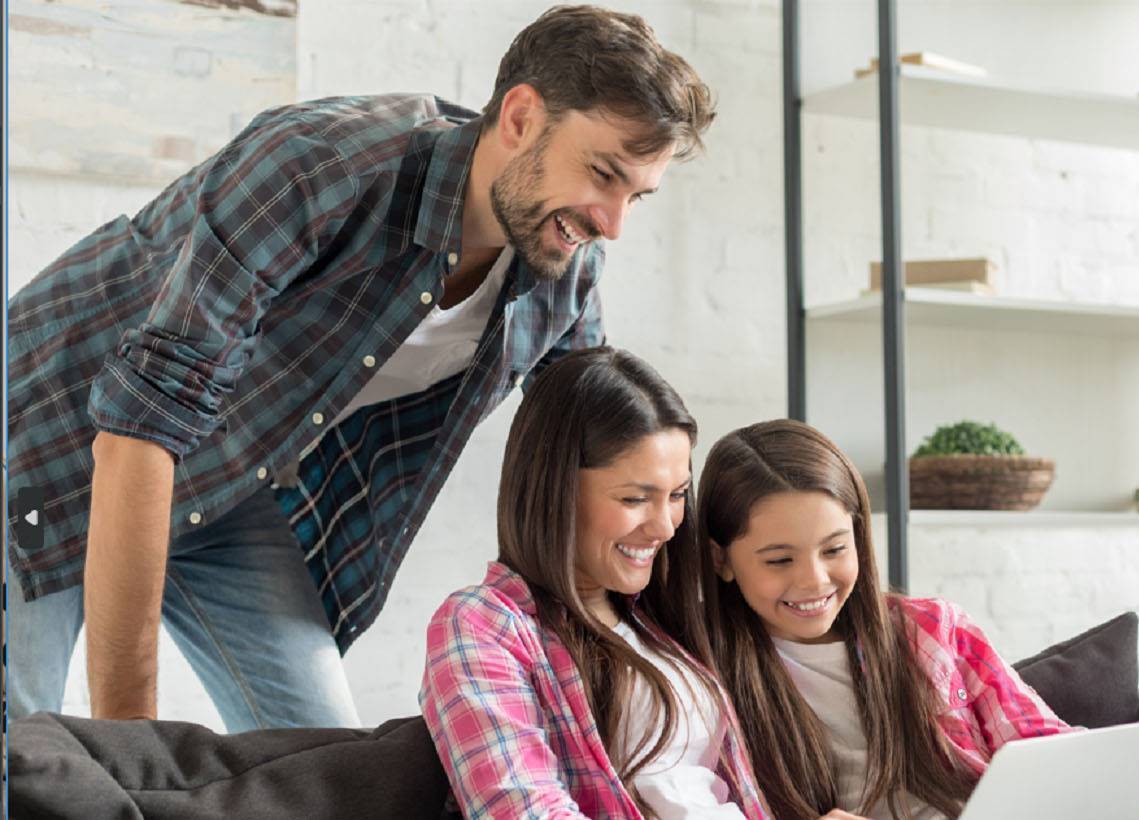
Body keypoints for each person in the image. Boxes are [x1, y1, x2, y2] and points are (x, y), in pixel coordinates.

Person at [3, 5, 713, 729]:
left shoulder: (563, 268)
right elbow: (141, 427)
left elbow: (586, 452)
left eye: (637, 195)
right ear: (522, 117)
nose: (613, 223)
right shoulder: (317, 166)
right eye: (602, 174)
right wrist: (133, 745)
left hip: (229, 480)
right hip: (44, 441)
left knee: (324, 768)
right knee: (25, 759)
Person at [694, 420, 1139, 820]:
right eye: (779, 561)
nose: (815, 580)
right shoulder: (699, 670)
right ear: (722, 560)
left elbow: (1039, 742)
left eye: (835, 549)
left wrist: (1117, 792)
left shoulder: (932, 631)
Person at [420, 347, 780, 819]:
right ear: (556, 489)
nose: (667, 527)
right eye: (635, 498)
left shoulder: (661, 615)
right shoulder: (482, 626)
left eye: (676, 495)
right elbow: (524, 811)